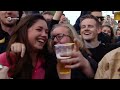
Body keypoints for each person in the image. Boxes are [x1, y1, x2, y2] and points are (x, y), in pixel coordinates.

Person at [9, 23, 98, 79]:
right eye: (53, 37)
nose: (55, 40)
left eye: (59, 36)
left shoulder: (82, 55)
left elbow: (100, 74)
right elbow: (32, 48)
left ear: (72, 38)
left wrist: (86, 66)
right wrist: (18, 44)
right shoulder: (48, 56)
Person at [0, 14, 59, 79]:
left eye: (46, 32)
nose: (44, 35)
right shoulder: (8, 58)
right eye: (39, 29)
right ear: (24, 30)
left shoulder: (47, 60)